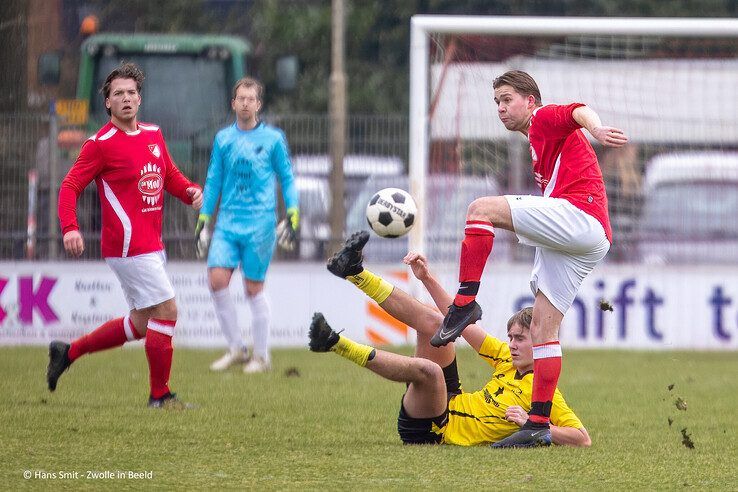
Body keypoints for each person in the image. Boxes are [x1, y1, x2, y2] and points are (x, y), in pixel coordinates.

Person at [430, 70, 627, 447]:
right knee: (542, 331)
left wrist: (597, 130)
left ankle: (465, 303)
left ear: (530, 101)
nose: (501, 109)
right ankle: (537, 424)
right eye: (497, 103)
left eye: (507, 100)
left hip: (580, 217)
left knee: (480, 209)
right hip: (589, 236)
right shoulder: (536, 143)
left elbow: (577, 111)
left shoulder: (542, 119)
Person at [310, 231, 591, 447]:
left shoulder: (546, 394)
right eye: (511, 337)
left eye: (520, 339)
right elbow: (458, 320)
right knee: (438, 323)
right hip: (450, 398)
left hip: (436, 428)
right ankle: (354, 272)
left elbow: (582, 438)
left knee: (431, 371)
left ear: (541, 341)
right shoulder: (505, 357)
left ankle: (334, 343)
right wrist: (426, 278)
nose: (512, 344)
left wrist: (537, 426)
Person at [47, 62, 203, 409]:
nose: (126, 98)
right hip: (128, 247)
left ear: (140, 98)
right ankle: (160, 396)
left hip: (151, 244)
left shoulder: (153, 134)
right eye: (118, 93)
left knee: (142, 323)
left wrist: (191, 191)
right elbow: (70, 186)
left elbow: (169, 176)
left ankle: (68, 352)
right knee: (168, 310)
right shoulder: (99, 144)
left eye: (131, 92)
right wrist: (70, 227)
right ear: (108, 103)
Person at [196, 77, 299, 373]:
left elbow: (287, 178)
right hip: (227, 222)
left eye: (250, 98)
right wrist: (204, 217)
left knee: (253, 288)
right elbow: (214, 179)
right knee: (216, 280)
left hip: (260, 225)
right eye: (240, 98)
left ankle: (262, 356)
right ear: (233, 103)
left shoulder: (273, 139)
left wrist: (292, 212)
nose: (245, 103)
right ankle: (236, 348)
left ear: (258, 104)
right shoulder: (222, 139)